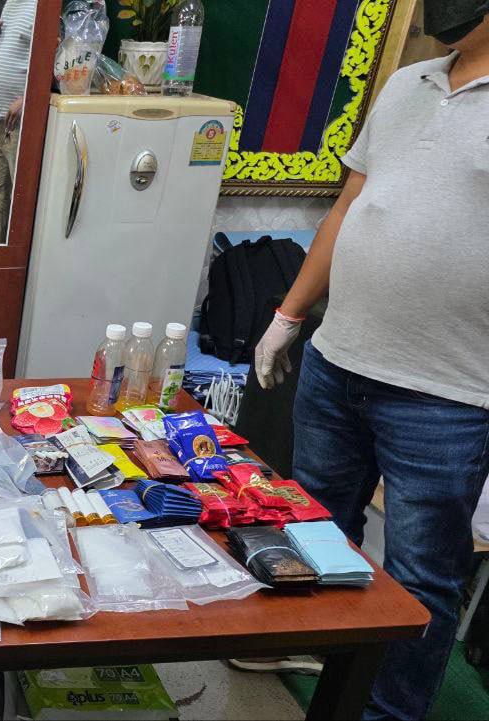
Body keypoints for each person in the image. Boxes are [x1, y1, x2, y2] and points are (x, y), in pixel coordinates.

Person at [251, 5, 489, 718]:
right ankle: (317, 658)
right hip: (338, 362)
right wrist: (288, 316)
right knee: (315, 530)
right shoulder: (408, 83)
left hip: (446, 392)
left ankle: (387, 710)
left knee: (421, 576)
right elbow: (346, 207)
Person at [0, 0, 37, 245]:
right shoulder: (10, 4)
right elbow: (2, 53)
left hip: (22, 122)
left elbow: (58, 59)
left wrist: (28, 97)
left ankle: (16, 262)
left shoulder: (40, 7)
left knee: (22, 197)